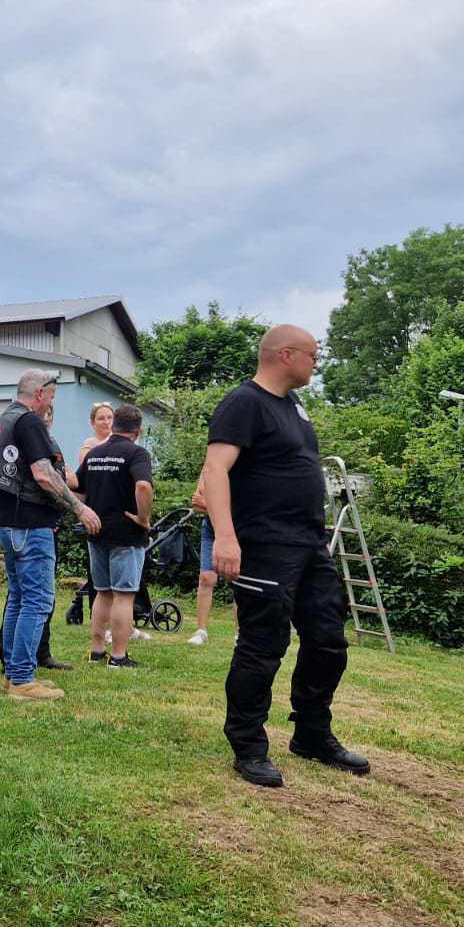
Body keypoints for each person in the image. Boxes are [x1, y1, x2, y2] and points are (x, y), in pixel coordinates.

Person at [203, 324, 369, 788]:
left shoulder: (294, 405)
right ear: (286, 355)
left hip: (309, 544)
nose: (317, 363)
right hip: (266, 545)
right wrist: (225, 537)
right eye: (313, 355)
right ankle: (249, 746)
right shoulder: (244, 402)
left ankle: (312, 734)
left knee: (328, 642)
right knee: (262, 647)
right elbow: (215, 469)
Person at [0, 370, 100, 700]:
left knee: (20, 597)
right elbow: (43, 474)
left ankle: (15, 671)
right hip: (29, 523)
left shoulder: (5, 418)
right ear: (40, 394)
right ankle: (21, 680)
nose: (51, 403)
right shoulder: (29, 421)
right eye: (52, 396)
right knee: (37, 600)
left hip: (6, 518)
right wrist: (80, 508)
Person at [80, 404, 154, 667]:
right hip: (126, 533)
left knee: (102, 592)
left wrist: (83, 513)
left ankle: (97, 651)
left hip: (97, 531)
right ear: (138, 430)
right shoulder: (137, 453)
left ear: (114, 425)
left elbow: (77, 488)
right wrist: (143, 518)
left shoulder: (95, 454)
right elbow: (143, 486)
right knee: (124, 595)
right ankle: (119, 656)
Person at [187, 477, 218, 646]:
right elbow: (196, 505)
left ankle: (239, 633)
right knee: (206, 578)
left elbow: (239, 510)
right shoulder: (208, 469)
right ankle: (201, 631)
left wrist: (206, 504)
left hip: (237, 529)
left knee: (238, 579)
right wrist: (209, 506)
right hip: (210, 528)